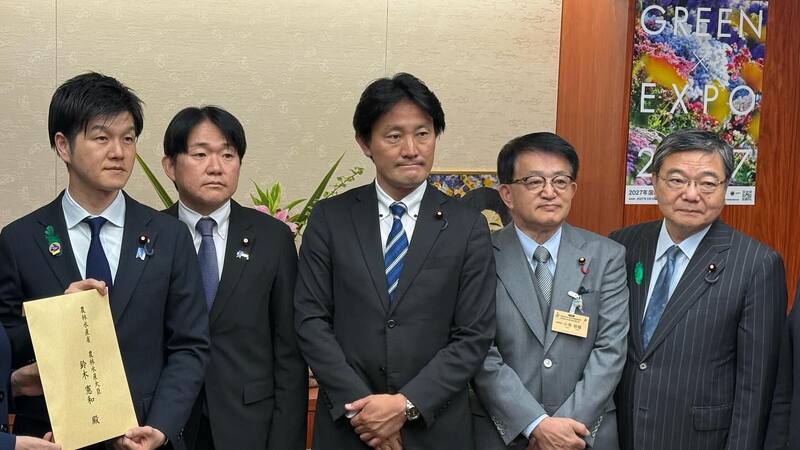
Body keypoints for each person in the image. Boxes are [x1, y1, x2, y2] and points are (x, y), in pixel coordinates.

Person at [0, 72, 210, 449]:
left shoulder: (169, 236)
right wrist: (60, 318)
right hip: (51, 437)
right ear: (63, 146)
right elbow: (7, 344)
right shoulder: (20, 239)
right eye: (101, 138)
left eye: (128, 138)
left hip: (144, 434)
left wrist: (161, 426)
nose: (119, 152)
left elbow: (190, 345)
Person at [294, 73, 496, 450]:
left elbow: (474, 334)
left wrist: (405, 405)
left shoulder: (467, 226)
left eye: (423, 133)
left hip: (435, 430)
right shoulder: (330, 218)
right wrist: (364, 412)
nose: (411, 149)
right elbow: (310, 320)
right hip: (349, 429)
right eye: (393, 136)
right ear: (364, 143)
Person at [610, 128, 786, 450]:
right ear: (654, 182)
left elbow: (755, 387)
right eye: (677, 180)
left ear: (726, 188)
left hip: (699, 438)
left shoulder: (757, 264)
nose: (691, 195)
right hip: (621, 432)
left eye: (707, 183)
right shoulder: (622, 244)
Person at [160, 106, 307, 450]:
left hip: (249, 424)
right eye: (200, 154)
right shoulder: (151, 236)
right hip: (167, 423)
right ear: (170, 166)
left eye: (228, 155)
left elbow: (289, 352)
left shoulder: (273, 238)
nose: (216, 167)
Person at [471, 132, 628, 450]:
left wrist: (564, 430)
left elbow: (610, 349)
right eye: (534, 181)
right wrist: (535, 424)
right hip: (504, 434)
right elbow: (479, 349)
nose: (549, 192)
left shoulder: (606, 255)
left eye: (560, 181)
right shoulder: (478, 256)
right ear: (507, 193)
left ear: (572, 190)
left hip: (584, 434)